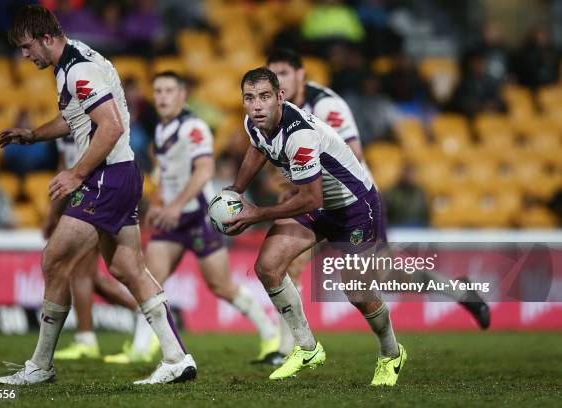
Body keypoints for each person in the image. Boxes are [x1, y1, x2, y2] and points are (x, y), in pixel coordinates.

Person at [0, 5, 195, 385]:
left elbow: (111, 126)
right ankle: (176, 357)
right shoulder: (72, 63)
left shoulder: (79, 69)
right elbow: (75, 118)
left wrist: (76, 172)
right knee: (126, 268)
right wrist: (32, 135)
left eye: (26, 47)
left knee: (54, 258)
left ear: (46, 38)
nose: (25, 55)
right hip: (122, 175)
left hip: (106, 176)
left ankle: (40, 366)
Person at [267, 51, 490, 358]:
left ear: (301, 75)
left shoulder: (326, 105)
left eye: (282, 73)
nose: (276, 81)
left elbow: (353, 153)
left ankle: (458, 290)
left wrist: (299, 185)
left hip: (352, 200)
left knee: (385, 275)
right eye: (271, 74)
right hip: (315, 200)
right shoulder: (277, 111)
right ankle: (286, 348)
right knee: (289, 260)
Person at [225, 67, 407, 385]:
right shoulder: (253, 123)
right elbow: (258, 149)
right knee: (268, 266)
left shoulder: (299, 135)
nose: (256, 106)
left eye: (265, 97)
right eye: (249, 98)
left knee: (358, 292)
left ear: (280, 97)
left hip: (355, 207)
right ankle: (307, 348)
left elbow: (310, 198)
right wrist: (236, 190)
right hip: (319, 207)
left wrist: (257, 214)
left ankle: (391, 353)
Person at [103, 71, 280, 364]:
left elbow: (204, 170)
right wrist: (160, 203)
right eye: (158, 91)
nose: (162, 97)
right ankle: (141, 346)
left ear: (182, 95)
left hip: (197, 217)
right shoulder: (162, 130)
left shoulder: (193, 127)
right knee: (148, 278)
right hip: (172, 223)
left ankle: (269, 331)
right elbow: (165, 172)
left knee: (221, 285)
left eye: (169, 91)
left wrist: (176, 206)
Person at [49, 133, 158, 363]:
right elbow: (64, 166)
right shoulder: (67, 123)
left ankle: (86, 338)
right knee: (96, 277)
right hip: (76, 199)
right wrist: (53, 212)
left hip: (98, 195)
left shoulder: (97, 118)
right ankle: (147, 316)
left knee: (84, 272)